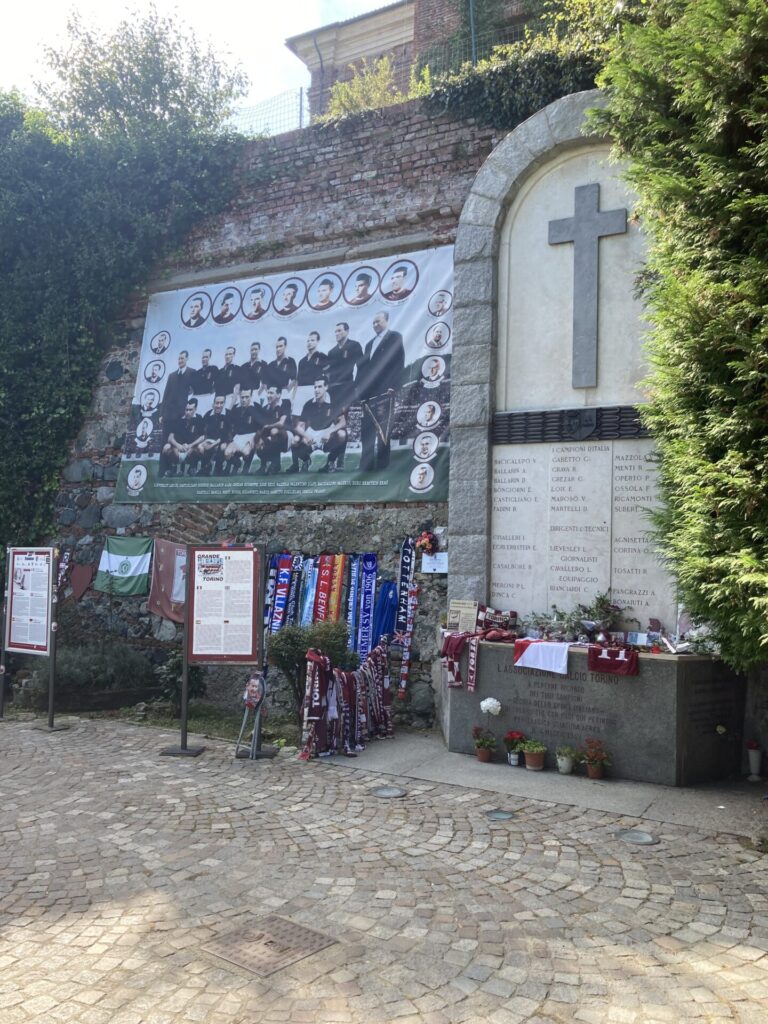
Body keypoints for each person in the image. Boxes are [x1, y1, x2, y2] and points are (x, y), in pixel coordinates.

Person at [356, 311, 404, 471]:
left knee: (383, 428)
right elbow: (365, 369)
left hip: (385, 390)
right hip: (369, 392)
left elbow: (399, 362)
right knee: (367, 429)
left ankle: (383, 464)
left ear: (387, 320)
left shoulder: (395, 337)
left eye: (378, 321)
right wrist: (360, 389)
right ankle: (366, 465)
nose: (375, 325)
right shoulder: (369, 344)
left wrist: (394, 386)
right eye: (373, 323)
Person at [288, 376, 347, 474]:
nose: (316, 390)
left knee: (342, 434)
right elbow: (298, 426)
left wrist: (329, 432)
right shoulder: (309, 404)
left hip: (327, 435)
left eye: (319, 387)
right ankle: (306, 460)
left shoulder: (334, 402)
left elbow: (343, 422)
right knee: (295, 441)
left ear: (326, 387)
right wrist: (306, 435)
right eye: (315, 387)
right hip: (312, 435)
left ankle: (331, 462)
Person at [221, 388, 263, 475]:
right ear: (239, 397)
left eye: (246, 397)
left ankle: (246, 468)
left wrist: (255, 438)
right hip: (238, 436)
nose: (244, 399)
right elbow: (229, 427)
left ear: (251, 397)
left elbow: (261, 427)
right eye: (242, 397)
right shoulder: (235, 409)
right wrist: (230, 440)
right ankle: (237, 463)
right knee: (227, 453)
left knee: (246, 453)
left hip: (251, 436)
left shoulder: (256, 407)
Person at [159, 398, 204, 477]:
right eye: (186, 410)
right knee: (166, 447)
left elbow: (202, 437)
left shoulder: (199, 419)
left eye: (190, 410)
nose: (187, 412)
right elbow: (170, 438)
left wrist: (191, 446)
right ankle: (171, 468)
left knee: (200, 448)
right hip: (178, 449)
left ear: (195, 409)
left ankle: (192, 468)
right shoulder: (178, 419)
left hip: (190, 449)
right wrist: (178, 446)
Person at [326, 321, 363, 410]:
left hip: (348, 386)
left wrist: (358, 384)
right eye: (336, 331)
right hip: (334, 390)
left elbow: (361, 366)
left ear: (347, 331)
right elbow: (328, 372)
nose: (337, 333)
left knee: (350, 414)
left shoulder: (354, 345)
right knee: (336, 415)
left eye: (339, 331)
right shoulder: (331, 352)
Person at [190, 395, 229, 476]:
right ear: (213, 404)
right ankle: (205, 467)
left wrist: (213, 445)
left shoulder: (228, 414)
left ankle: (219, 467)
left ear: (224, 403)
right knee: (200, 447)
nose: (218, 405)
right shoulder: (208, 415)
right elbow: (202, 432)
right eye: (217, 403)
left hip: (222, 441)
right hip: (209, 440)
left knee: (222, 447)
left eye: (221, 403)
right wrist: (205, 441)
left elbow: (226, 435)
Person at [257, 385, 292, 474]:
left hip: (286, 436)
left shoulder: (285, 405)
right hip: (272, 437)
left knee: (274, 432)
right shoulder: (265, 408)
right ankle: (263, 466)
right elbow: (262, 426)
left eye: (271, 393)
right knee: (258, 437)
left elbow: (281, 423)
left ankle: (275, 464)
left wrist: (268, 426)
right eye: (268, 393)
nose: (268, 395)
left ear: (279, 395)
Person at [295, 331, 329, 409]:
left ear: (317, 341)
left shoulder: (322, 356)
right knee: (297, 415)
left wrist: (325, 391)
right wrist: (294, 397)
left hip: (314, 389)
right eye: (308, 341)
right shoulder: (302, 361)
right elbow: (297, 381)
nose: (309, 342)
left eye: (312, 340)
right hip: (301, 390)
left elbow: (328, 375)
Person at [161, 350, 194, 425]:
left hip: (183, 413)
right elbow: (166, 395)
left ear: (187, 359)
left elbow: (193, 391)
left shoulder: (192, 372)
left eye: (182, 358)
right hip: (169, 414)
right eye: (179, 359)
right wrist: (161, 413)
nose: (180, 361)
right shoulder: (172, 376)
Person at [216, 346, 241, 410]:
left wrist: (230, 406)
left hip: (229, 399)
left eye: (230, 354)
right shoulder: (220, 371)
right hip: (219, 402)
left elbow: (236, 390)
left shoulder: (237, 368)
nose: (227, 356)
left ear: (234, 355)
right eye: (226, 354)